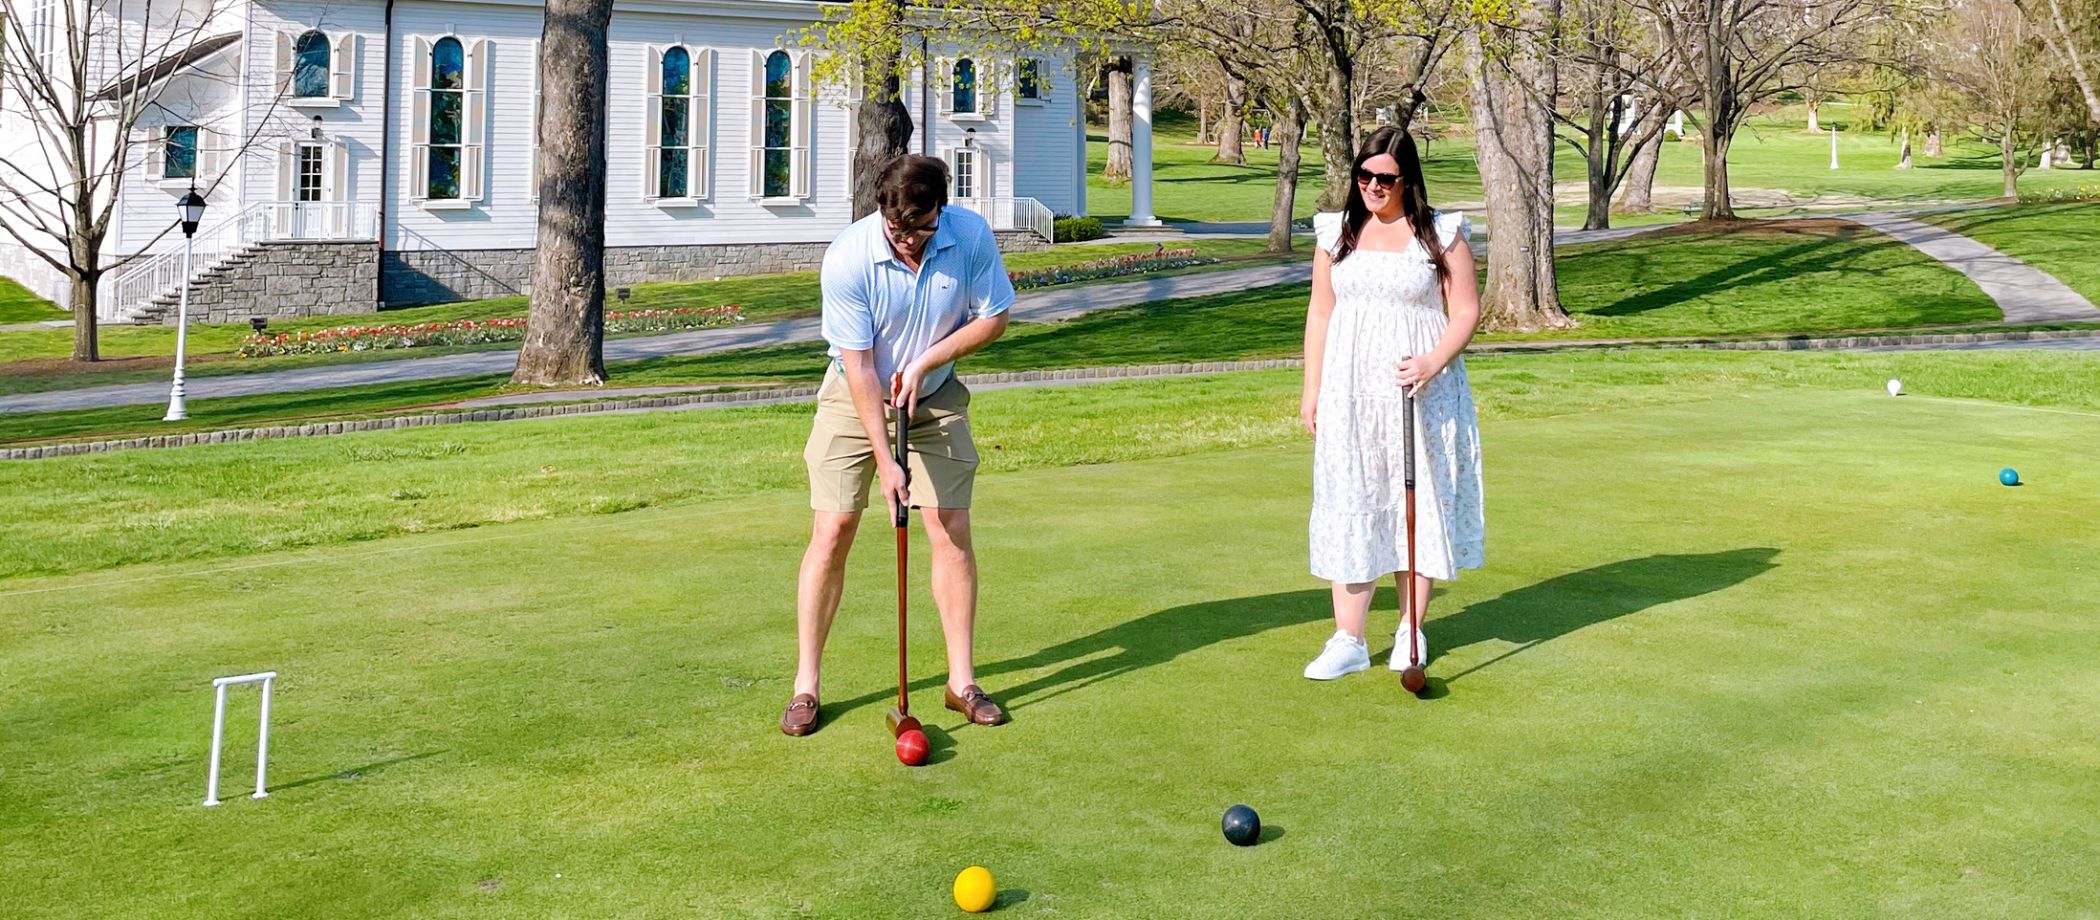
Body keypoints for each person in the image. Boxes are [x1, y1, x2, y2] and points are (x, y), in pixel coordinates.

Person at [781, 156, 1016, 735]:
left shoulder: (970, 237)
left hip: (933, 396)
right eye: (899, 231)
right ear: (882, 214)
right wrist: (886, 462)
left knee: (951, 527)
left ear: (944, 207)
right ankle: (806, 686)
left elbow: (996, 317)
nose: (910, 242)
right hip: (852, 394)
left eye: (922, 229)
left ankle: (961, 683)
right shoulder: (849, 257)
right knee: (833, 530)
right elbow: (859, 367)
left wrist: (927, 361)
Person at [1299, 126, 1486, 681]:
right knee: (1353, 498)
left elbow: (1467, 312)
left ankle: (1410, 631)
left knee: (1415, 505)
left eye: (1385, 178)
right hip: (1350, 393)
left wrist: (1433, 361)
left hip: (1421, 393)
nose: (1373, 187)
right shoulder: (1336, 233)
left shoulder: (1440, 234)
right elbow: (1320, 313)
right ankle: (1348, 640)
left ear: (1407, 181)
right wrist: (1312, 389)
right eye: (1364, 176)